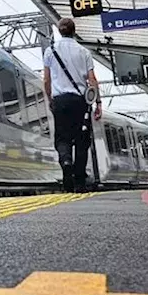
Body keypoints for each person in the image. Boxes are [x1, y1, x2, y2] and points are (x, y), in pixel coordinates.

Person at [43, 18, 101, 192]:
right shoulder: (83, 52)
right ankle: (80, 182)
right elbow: (92, 80)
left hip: (60, 100)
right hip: (80, 102)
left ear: (60, 32)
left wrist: (50, 98)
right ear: (74, 31)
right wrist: (98, 103)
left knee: (62, 138)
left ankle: (66, 162)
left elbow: (46, 79)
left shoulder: (50, 51)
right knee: (82, 141)